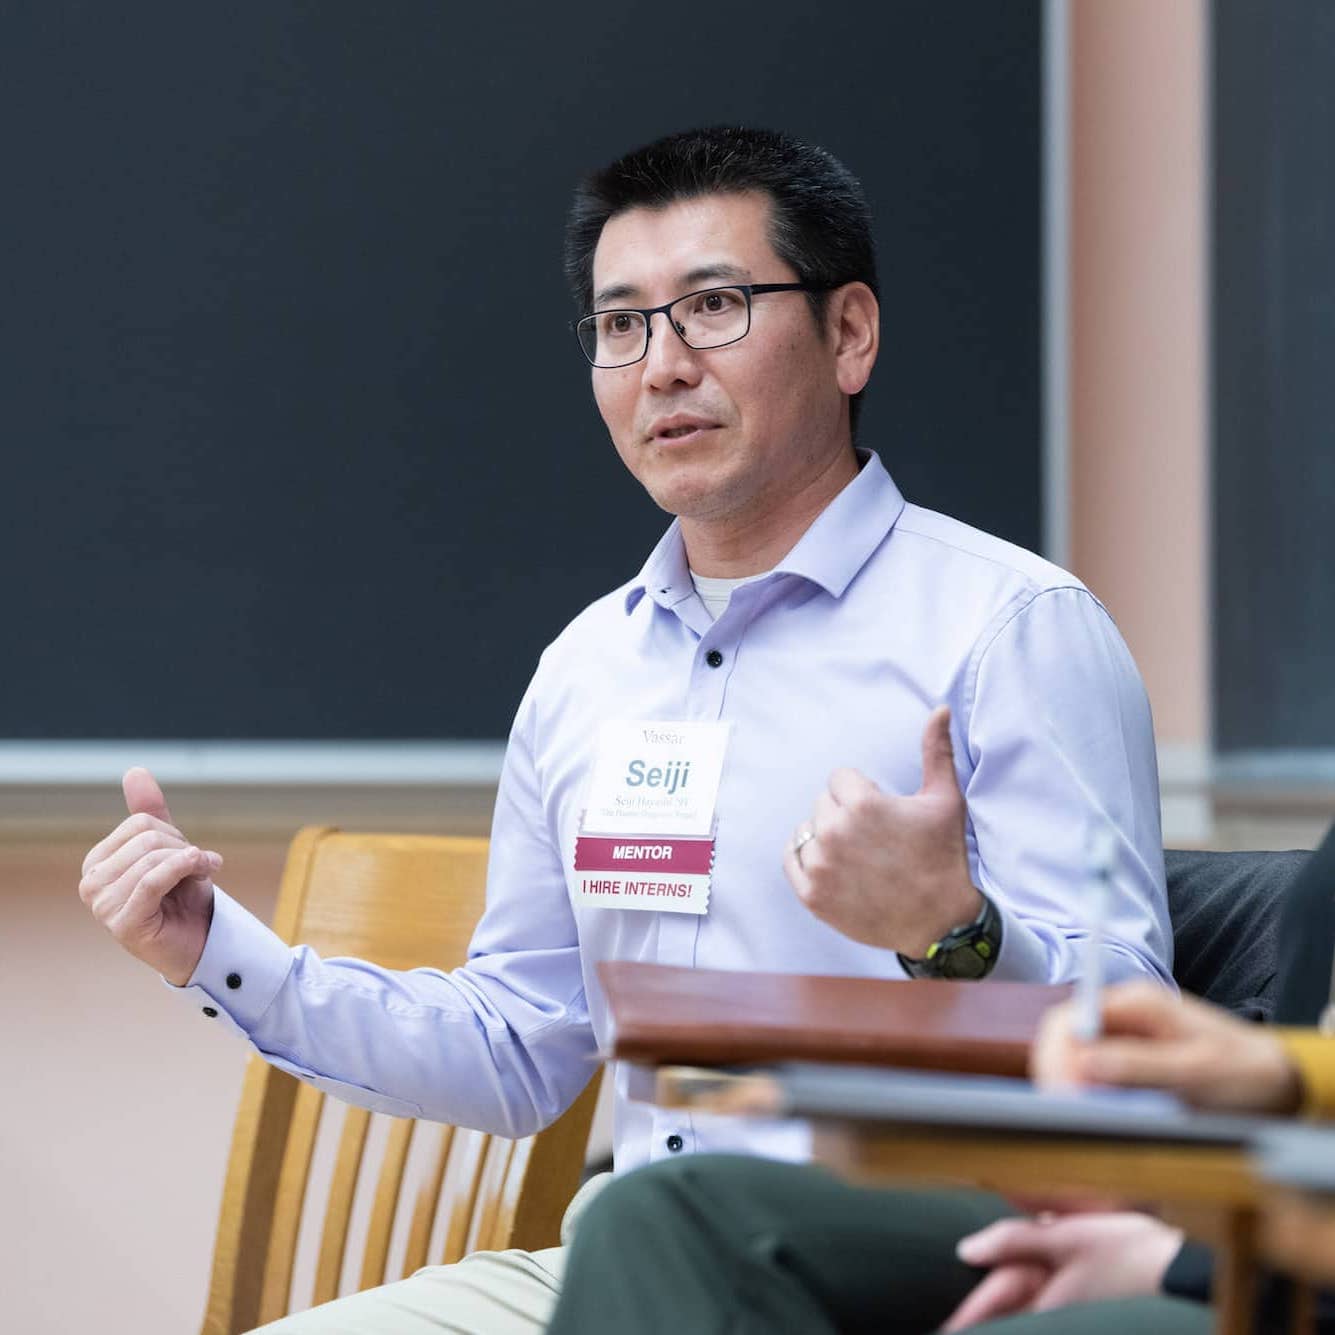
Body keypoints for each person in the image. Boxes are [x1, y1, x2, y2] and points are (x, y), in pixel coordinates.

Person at [77, 126, 1172, 1333]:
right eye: (620, 325)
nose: (662, 366)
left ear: (849, 332)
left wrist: (953, 934)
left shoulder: (1012, 629)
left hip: (903, 1273)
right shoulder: (588, 670)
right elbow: (515, 1049)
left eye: (713, 306)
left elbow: (1138, 1049)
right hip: (621, 1258)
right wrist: (216, 951)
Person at [546, 822, 1335, 1335]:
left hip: (1280, 1273)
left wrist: (1177, 1257)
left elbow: (1102, 969)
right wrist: (1271, 1078)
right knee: (662, 1213)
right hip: (1249, 1213)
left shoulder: (1016, 626)